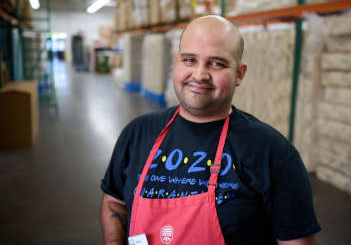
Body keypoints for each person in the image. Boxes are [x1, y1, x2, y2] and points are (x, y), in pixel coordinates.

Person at [100, 15, 321, 245]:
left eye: (217, 63)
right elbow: (114, 202)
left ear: (239, 74)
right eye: (189, 60)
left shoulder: (272, 152)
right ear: (176, 62)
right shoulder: (138, 133)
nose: (199, 75)